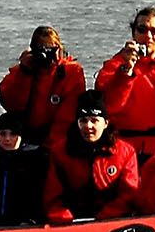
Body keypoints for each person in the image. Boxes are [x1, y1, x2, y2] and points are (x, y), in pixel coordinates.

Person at [95, 5, 155, 159]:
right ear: (134, 32)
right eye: (142, 30)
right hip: (124, 148)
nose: (148, 36)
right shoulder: (113, 67)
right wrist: (126, 71)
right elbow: (110, 106)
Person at [44, 89, 140, 224]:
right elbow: (52, 196)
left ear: (105, 123)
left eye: (94, 121)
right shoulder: (59, 152)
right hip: (71, 219)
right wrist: (63, 218)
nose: (88, 126)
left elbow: (129, 194)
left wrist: (104, 217)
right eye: (83, 121)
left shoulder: (125, 152)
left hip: (112, 218)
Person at [0, 25, 87, 150]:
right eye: (40, 49)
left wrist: (48, 147)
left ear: (58, 49)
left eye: (50, 49)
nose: (45, 55)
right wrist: (24, 73)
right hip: (25, 136)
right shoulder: (21, 72)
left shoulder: (71, 72)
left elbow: (68, 116)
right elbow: (12, 105)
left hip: (57, 139)